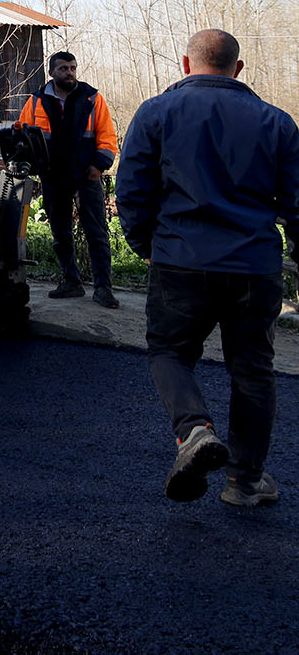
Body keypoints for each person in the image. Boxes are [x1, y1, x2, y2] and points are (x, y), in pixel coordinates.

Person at [116, 28, 299, 507]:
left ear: (185, 63)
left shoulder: (156, 113)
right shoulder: (277, 123)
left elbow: (131, 192)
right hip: (254, 267)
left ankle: (194, 429)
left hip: (181, 261)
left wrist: (145, 246)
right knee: (254, 372)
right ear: (238, 69)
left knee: (169, 353)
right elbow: (297, 206)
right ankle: (245, 482)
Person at [14, 50, 121, 308]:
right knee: (60, 232)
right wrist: (26, 160)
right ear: (52, 72)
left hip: (87, 174)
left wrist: (99, 165)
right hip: (53, 176)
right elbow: (22, 134)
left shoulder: (92, 98)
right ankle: (71, 281)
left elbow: (107, 138)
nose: (69, 73)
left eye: (72, 67)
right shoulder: (37, 101)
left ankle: (103, 288)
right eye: (63, 68)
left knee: (96, 232)